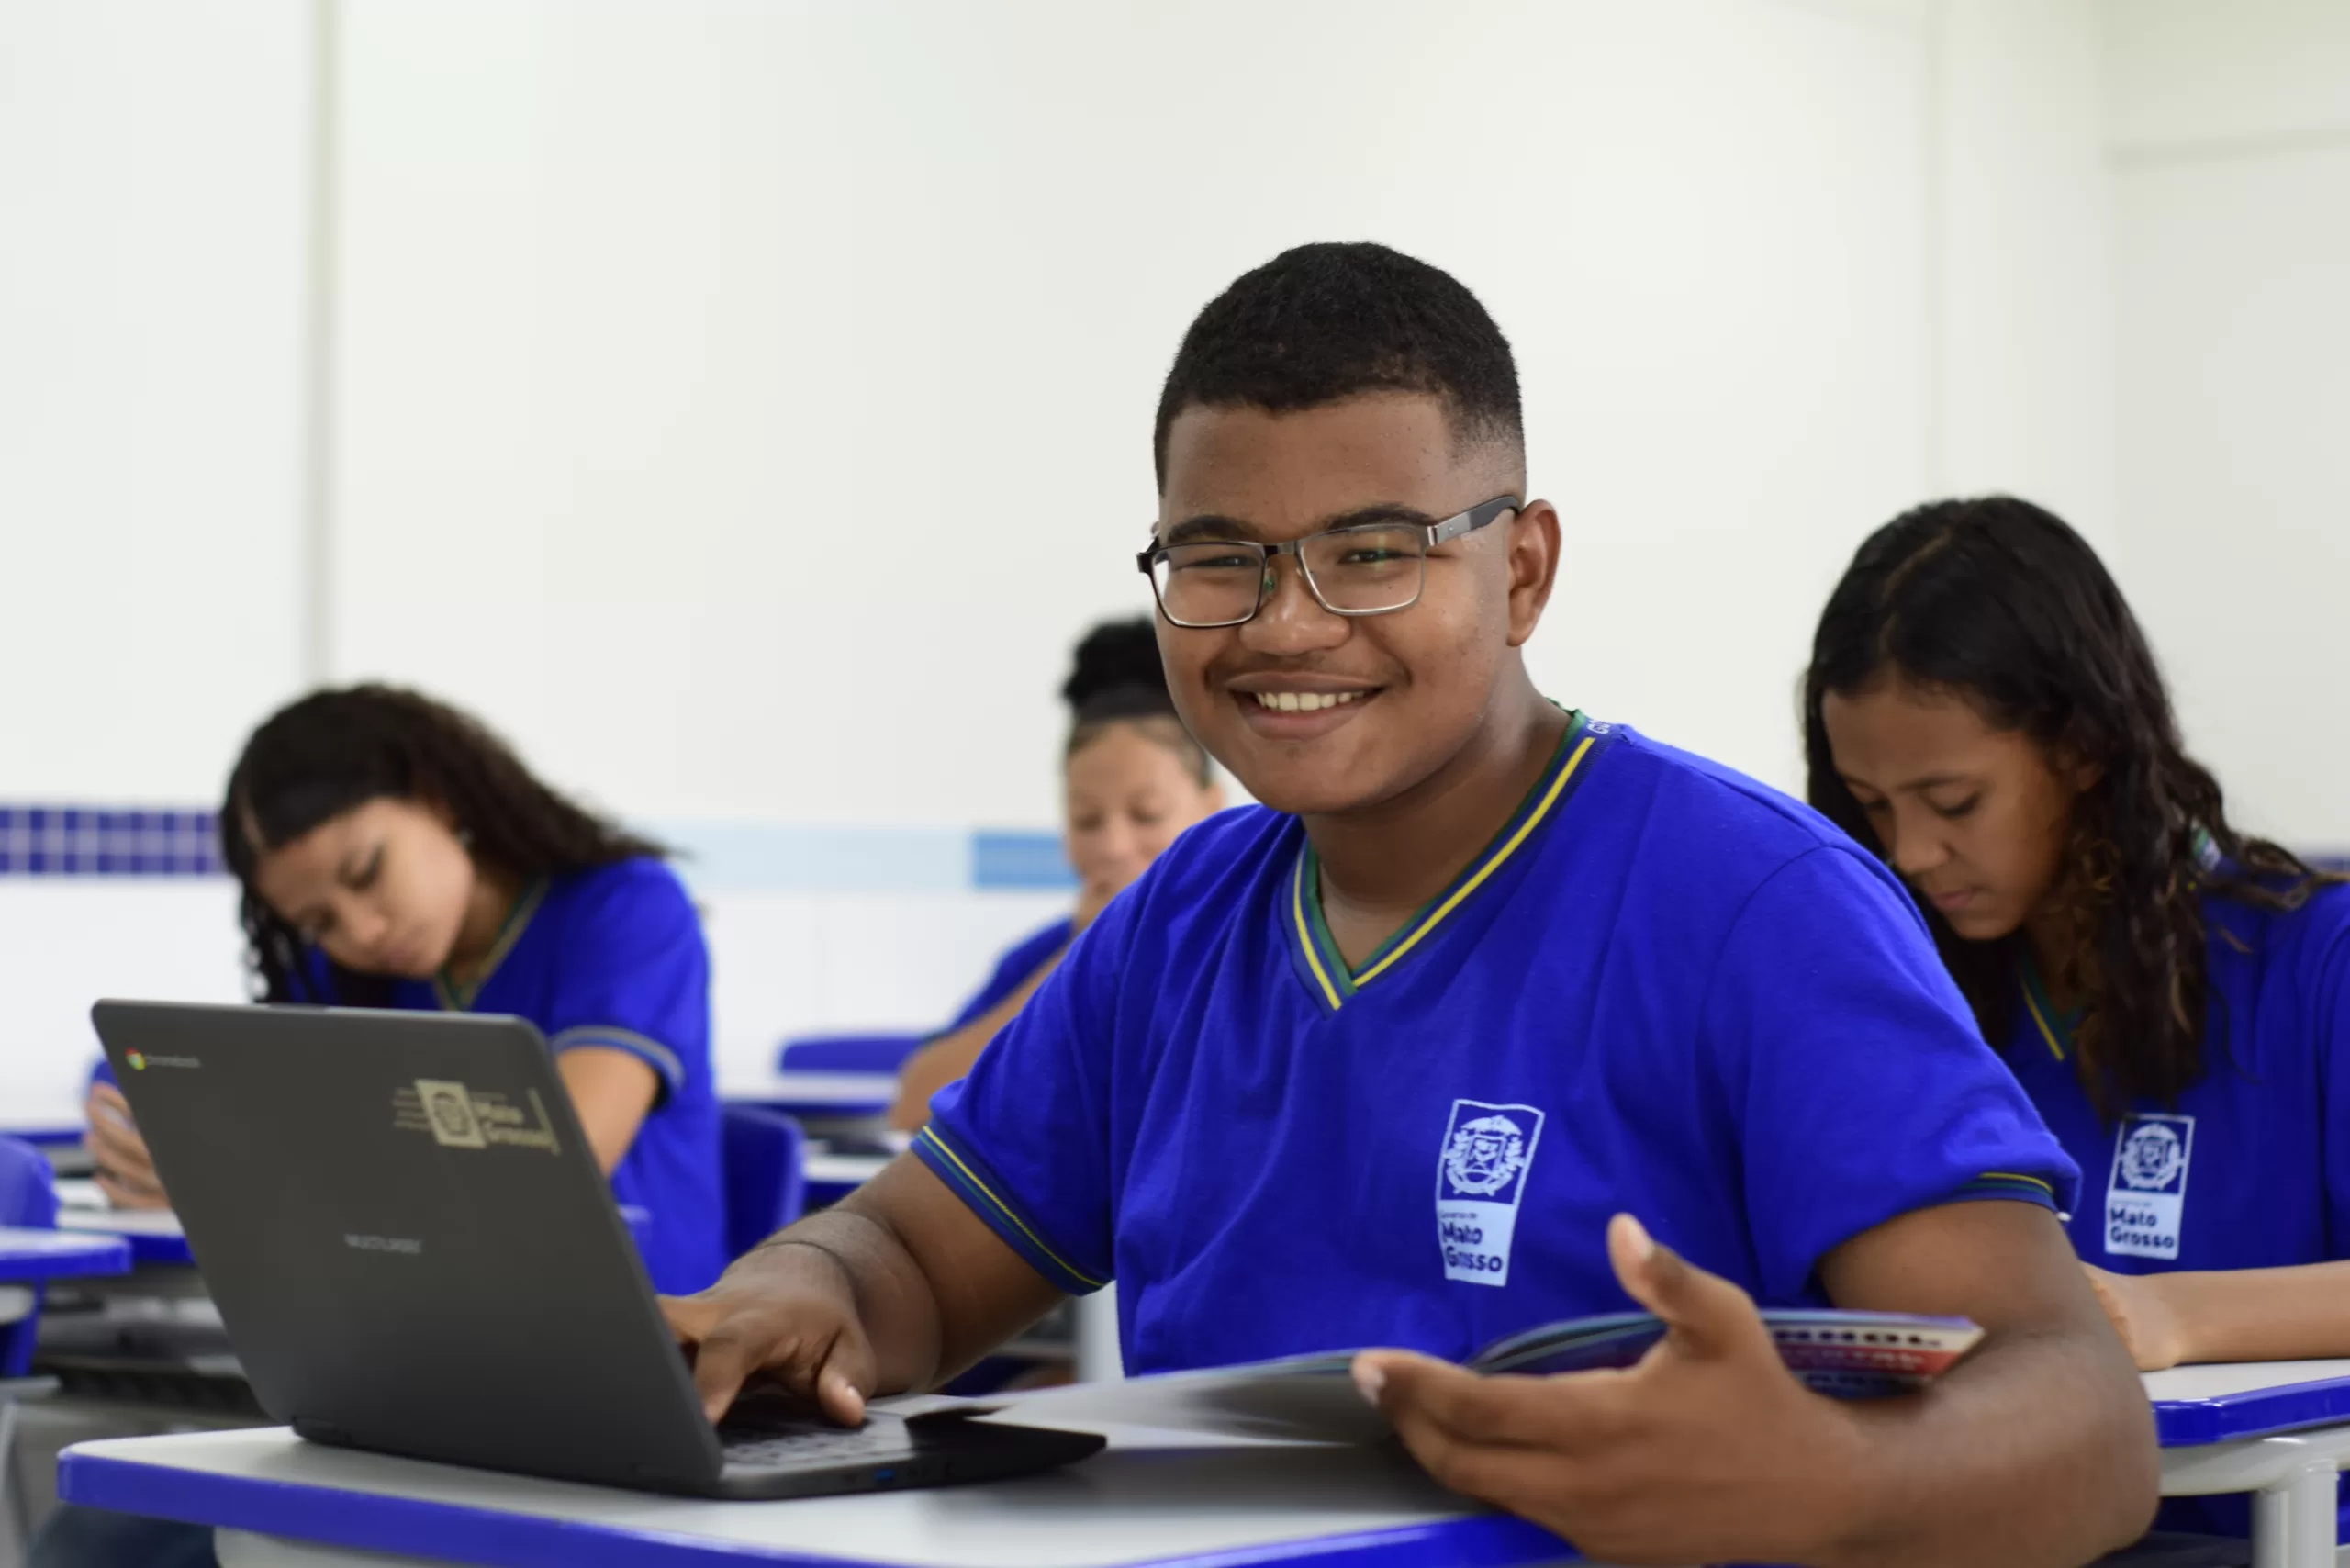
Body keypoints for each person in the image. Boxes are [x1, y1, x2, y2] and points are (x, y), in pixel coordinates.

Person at [666, 243, 2155, 1566]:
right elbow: (916, 1259)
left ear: (1521, 567)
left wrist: (1831, 1481)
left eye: (1373, 551)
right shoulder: (1182, 917)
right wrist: (800, 1287)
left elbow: (2084, 1420)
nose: (1288, 621)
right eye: (1218, 555)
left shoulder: (1758, 906)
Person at [1807, 495, 2350, 1541]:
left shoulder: (2315, 960)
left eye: (1952, 800)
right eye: (1872, 806)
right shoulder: (1910, 992)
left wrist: (2169, 1316)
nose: (1911, 852)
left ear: (2085, 746)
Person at [81, 685, 725, 1295]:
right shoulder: (349, 976)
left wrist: (242, 1185)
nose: (360, 931)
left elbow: (545, 1178)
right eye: (319, 922)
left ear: (436, 797)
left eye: (366, 872)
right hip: (438, 1332)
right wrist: (174, 1150)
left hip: (637, 1342)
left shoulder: (629, 911)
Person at [891, 618, 1223, 1128]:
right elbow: (916, 1105)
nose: (1113, 845)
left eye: (1147, 815)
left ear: (1211, 807)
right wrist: (1086, 951)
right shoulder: (1046, 952)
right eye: (1086, 819)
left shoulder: (1246, 945)